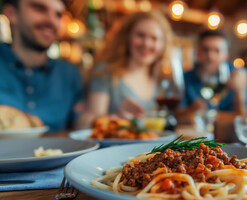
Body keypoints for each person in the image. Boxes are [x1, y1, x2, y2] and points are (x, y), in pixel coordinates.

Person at [77, 11, 172, 128]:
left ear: (163, 44)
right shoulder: (105, 72)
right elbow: (83, 124)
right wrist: (115, 118)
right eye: (140, 35)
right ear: (127, 37)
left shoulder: (161, 77)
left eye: (154, 38)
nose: (147, 44)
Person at [0, 0, 84, 131]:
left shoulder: (69, 74)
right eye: (39, 9)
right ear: (11, 13)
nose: (51, 21)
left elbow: (81, 127)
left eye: (58, 14)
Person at [180, 30, 247, 118]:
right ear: (197, 53)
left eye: (217, 50)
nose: (210, 56)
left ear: (226, 55)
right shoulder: (185, 78)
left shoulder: (237, 75)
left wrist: (240, 92)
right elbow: (177, 112)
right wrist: (192, 109)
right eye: (205, 50)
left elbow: (244, 117)